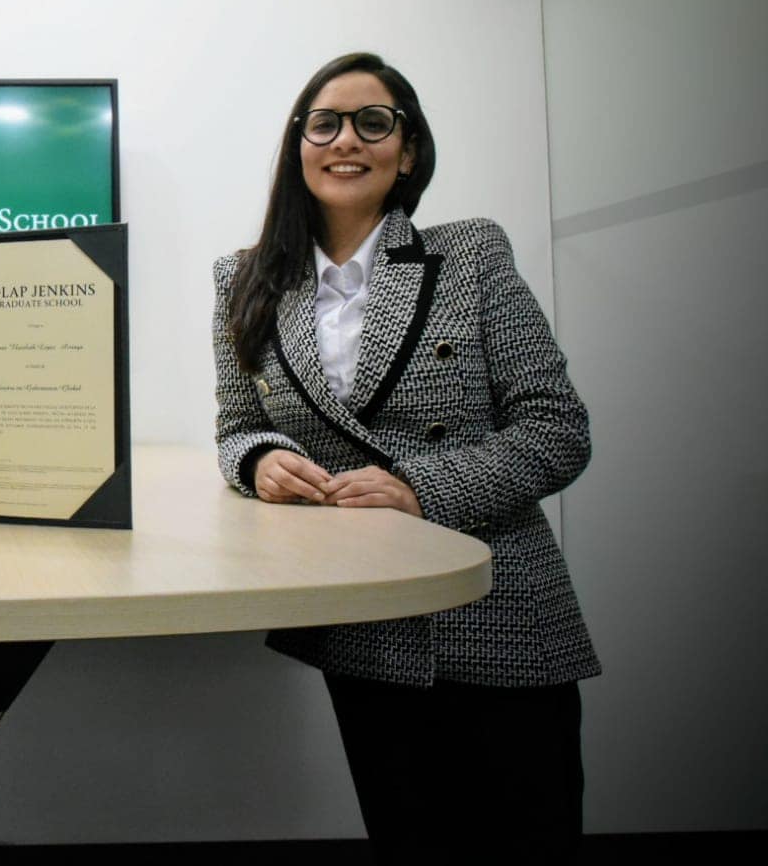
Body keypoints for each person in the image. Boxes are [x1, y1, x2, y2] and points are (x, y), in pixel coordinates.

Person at [212, 52, 597, 862]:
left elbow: (556, 429)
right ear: (297, 145)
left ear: (407, 150)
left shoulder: (470, 254)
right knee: (408, 839)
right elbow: (235, 425)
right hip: (360, 613)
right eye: (323, 122)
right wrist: (257, 462)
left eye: (372, 122)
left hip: (497, 597)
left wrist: (417, 486)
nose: (345, 139)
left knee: (532, 837)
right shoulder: (242, 280)